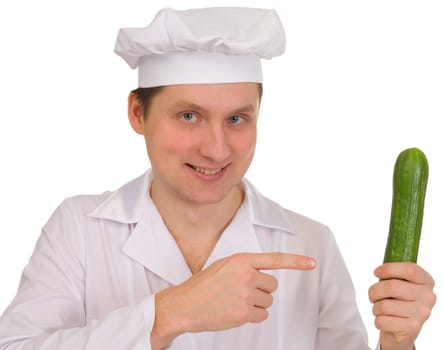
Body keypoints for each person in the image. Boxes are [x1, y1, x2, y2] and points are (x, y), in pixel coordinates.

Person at [0, 6, 436, 350]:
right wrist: (171, 313)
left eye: (236, 118)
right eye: (189, 116)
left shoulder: (310, 244)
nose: (217, 148)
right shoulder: (79, 228)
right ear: (138, 113)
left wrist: (398, 345)